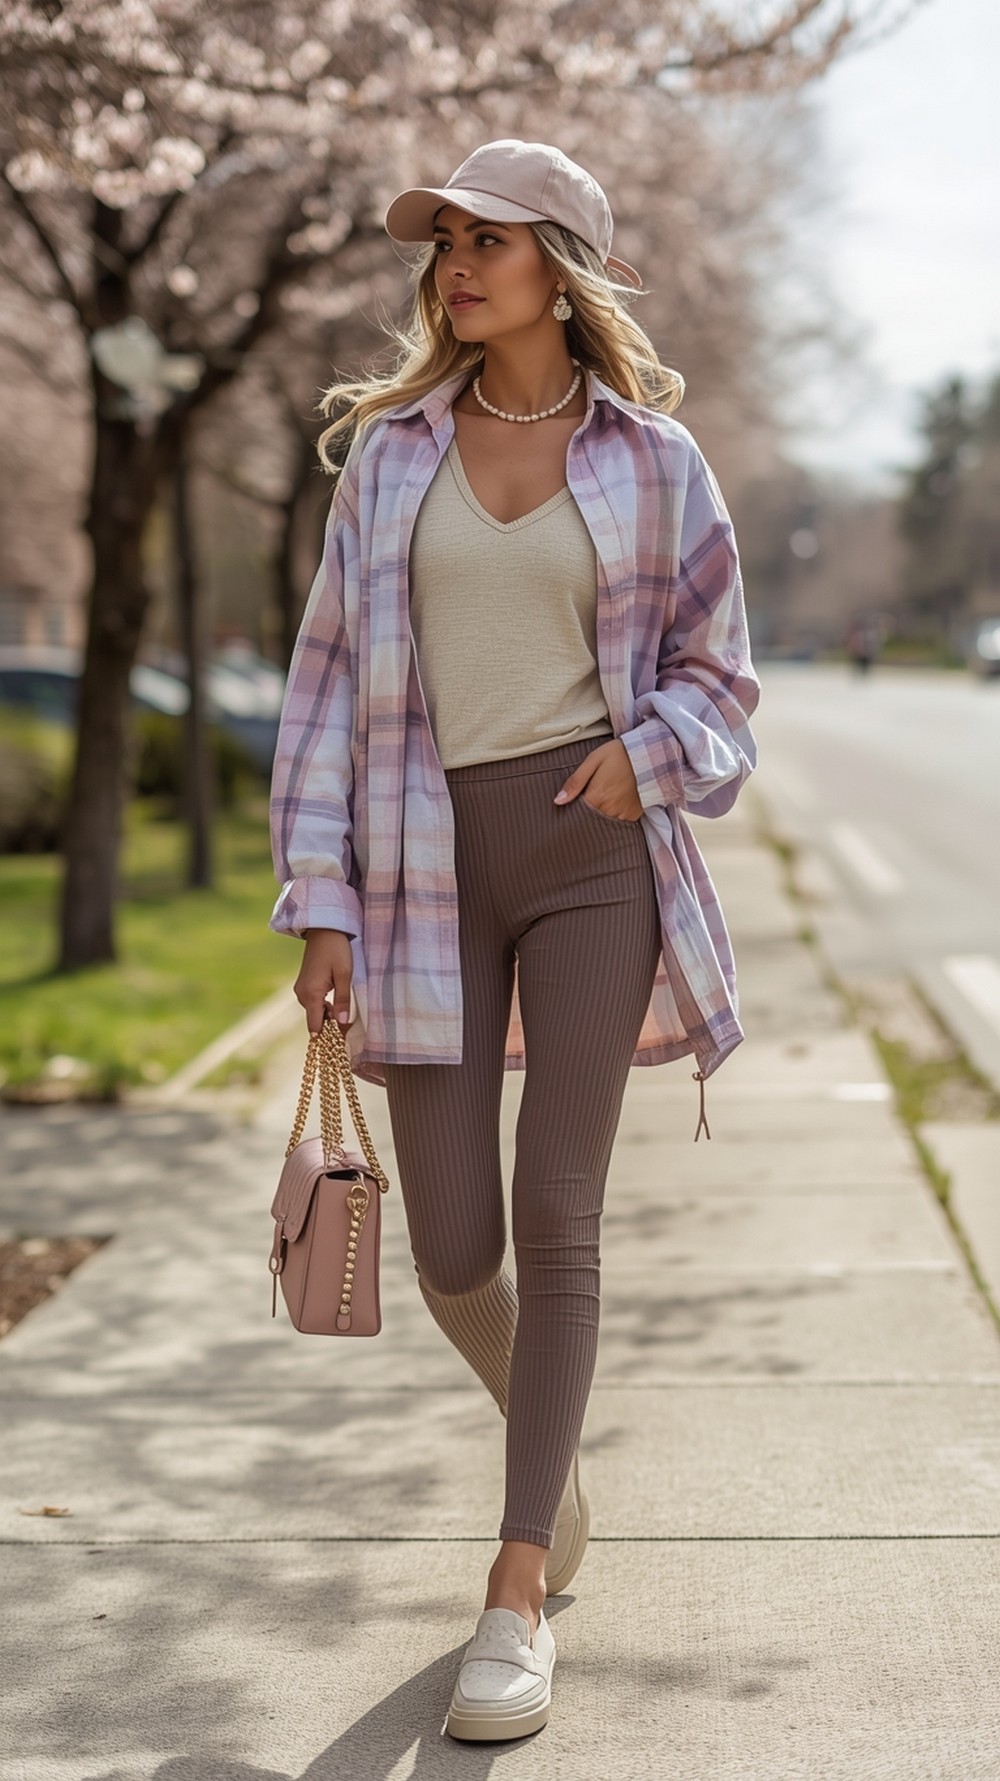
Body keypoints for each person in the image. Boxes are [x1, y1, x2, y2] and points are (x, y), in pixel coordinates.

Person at [269, 139, 760, 1742]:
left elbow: (721, 682)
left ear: (564, 263)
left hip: (592, 856)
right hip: (418, 869)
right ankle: (557, 1463)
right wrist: (320, 897)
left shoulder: (655, 463)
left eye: (489, 240)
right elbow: (325, 696)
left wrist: (651, 756)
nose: (455, 266)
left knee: (559, 1212)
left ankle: (515, 1570)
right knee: (453, 1246)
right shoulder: (389, 461)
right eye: (446, 244)